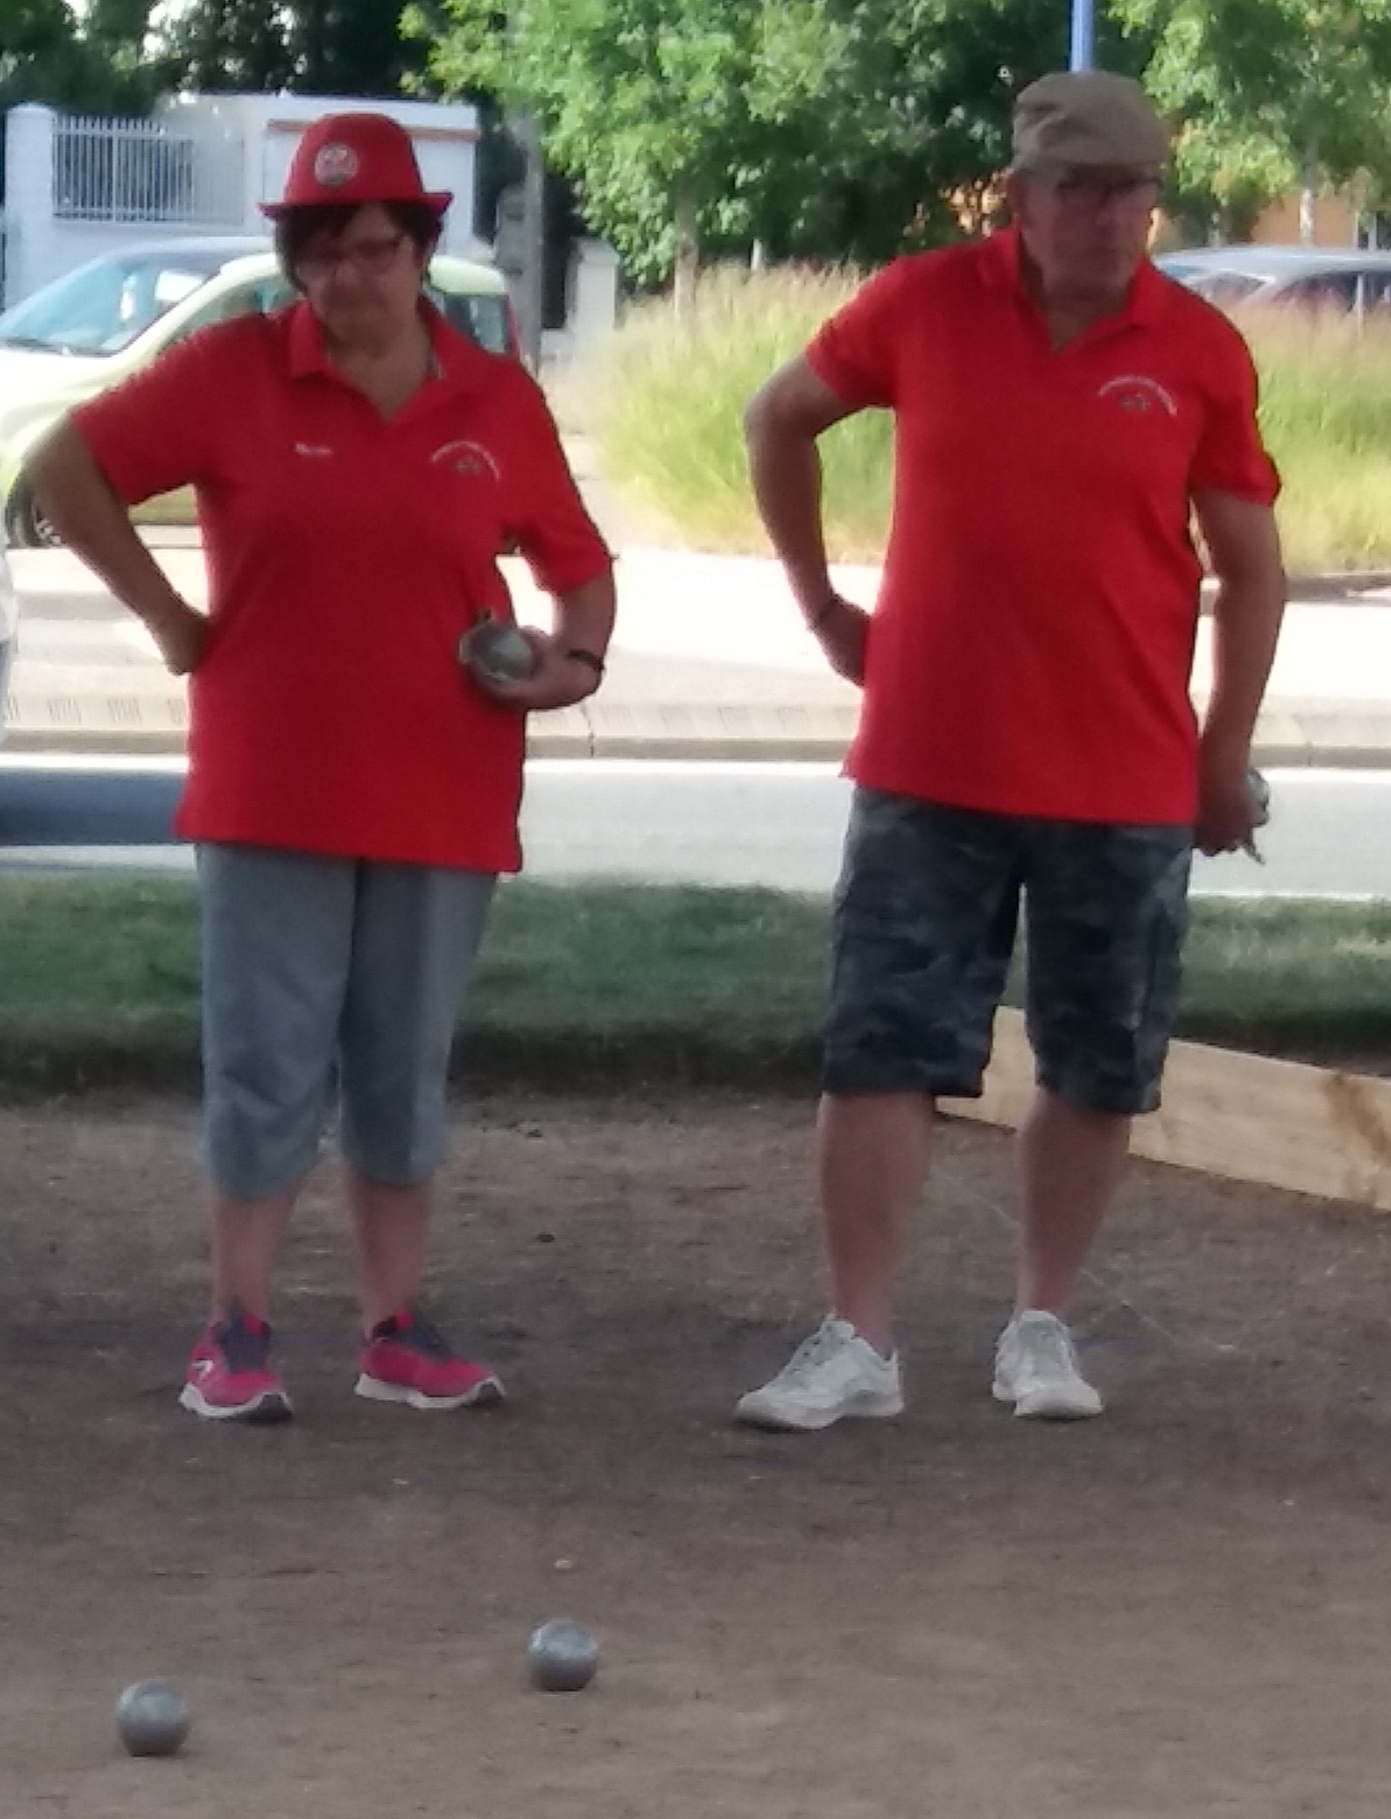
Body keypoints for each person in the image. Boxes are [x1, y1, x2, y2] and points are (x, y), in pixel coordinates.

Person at [30, 112, 615, 1424]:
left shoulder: (495, 397)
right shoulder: (232, 368)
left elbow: (579, 568)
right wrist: (171, 623)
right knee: (266, 1062)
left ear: (421, 249)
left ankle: (393, 1329)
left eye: (373, 249)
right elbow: (64, 468)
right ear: (293, 257)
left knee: (403, 1067)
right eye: (321, 252)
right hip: (271, 785)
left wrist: (570, 666)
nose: (346, 278)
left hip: (447, 787)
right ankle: (234, 1329)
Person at [735, 71, 1286, 1432]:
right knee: (880, 1047)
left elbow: (1251, 569)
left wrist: (1223, 753)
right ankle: (857, 1339)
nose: (1110, 217)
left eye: (1132, 192)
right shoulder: (922, 304)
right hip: (928, 756)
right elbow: (775, 417)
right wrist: (822, 609)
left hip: (1126, 767)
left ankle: (1042, 1326)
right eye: (1081, 190)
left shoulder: (1200, 349)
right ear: (1021, 197)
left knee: (1098, 1059)